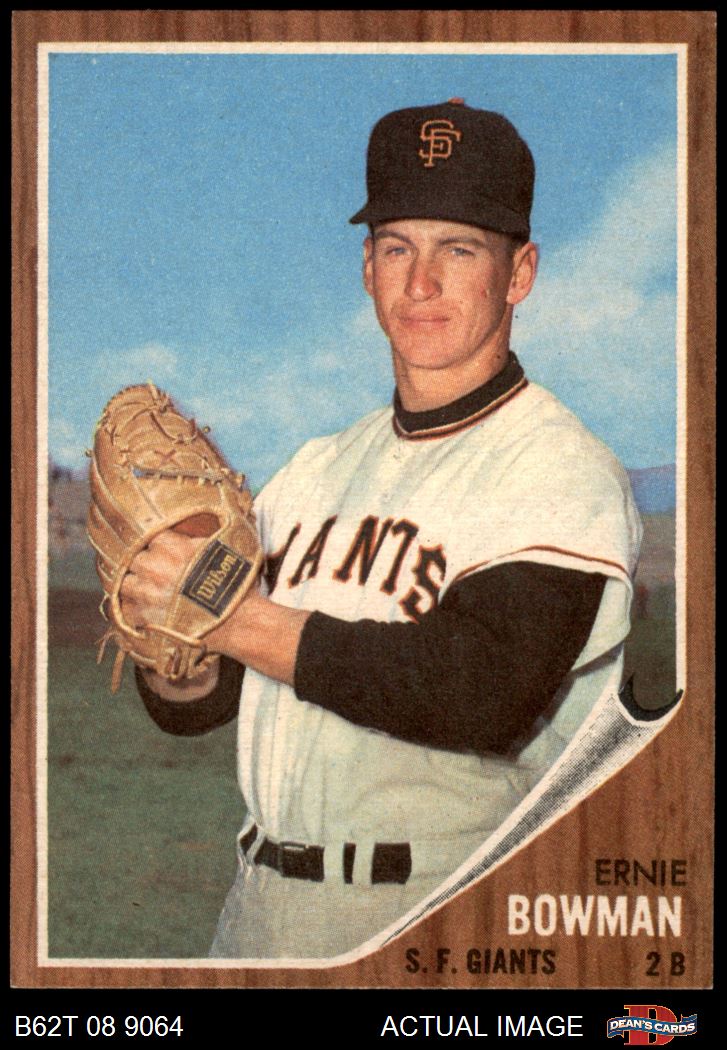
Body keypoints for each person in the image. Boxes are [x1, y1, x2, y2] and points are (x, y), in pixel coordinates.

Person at [120, 100, 642, 959]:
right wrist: (168, 638)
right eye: (397, 248)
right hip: (257, 914)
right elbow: (204, 706)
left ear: (519, 273)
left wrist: (229, 617)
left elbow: (478, 692)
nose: (420, 283)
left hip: (436, 912)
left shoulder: (557, 465)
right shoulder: (312, 469)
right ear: (367, 268)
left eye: (458, 250)